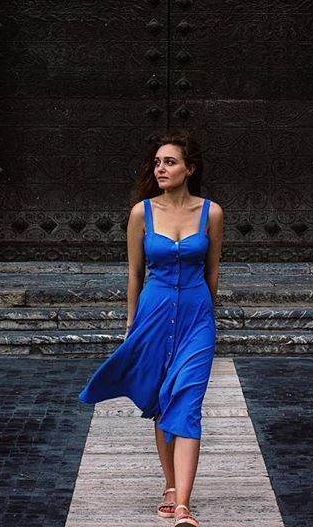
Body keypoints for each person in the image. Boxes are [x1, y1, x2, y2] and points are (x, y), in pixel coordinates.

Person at [78, 131, 224, 527]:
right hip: (153, 316)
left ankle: (183, 507)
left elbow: (212, 273)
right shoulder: (141, 213)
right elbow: (134, 275)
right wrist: (131, 327)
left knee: (187, 401)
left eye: (170, 162)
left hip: (196, 318)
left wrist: (207, 319)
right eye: (158, 162)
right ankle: (170, 485)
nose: (160, 168)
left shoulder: (211, 213)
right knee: (162, 400)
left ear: (189, 169)